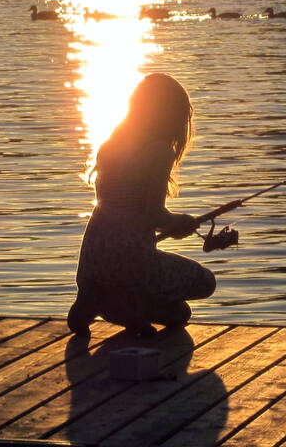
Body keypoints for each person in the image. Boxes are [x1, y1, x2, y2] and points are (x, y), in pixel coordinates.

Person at [67, 73, 216, 337]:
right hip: (131, 263)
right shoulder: (159, 150)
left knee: (172, 309)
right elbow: (153, 214)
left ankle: (104, 302)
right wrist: (183, 222)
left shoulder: (112, 143)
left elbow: (130, 208)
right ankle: (126, 306)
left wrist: (175, 224)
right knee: (203, 285)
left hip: (93, 262)